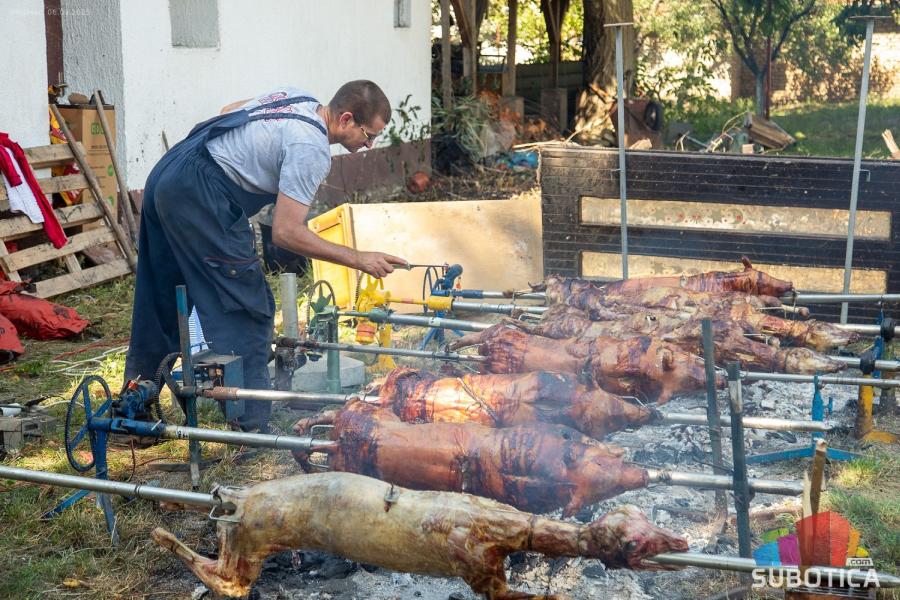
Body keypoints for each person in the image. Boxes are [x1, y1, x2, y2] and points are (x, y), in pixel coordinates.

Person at [124, 81, 407, 431]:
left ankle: (131, 413)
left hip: (170, 171)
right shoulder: (311, 148)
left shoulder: (298, 97)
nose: (369, 144)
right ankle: (252, 424)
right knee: (249, 307)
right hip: (201, 192)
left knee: (161, 297)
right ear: (346, 119)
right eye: (369, 134)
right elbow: (286, 233)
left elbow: (229, 109)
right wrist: (358, 258)